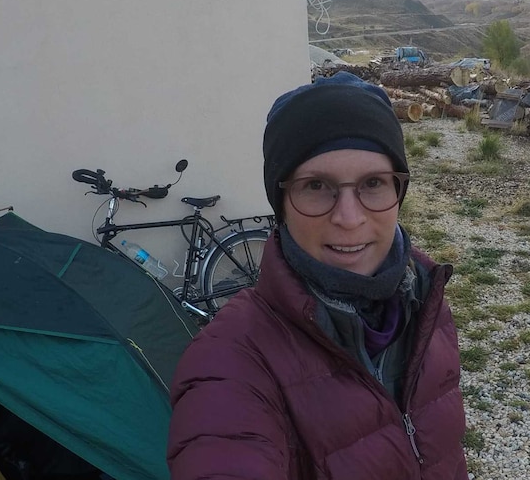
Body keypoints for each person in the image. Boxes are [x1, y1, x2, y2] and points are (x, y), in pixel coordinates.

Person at [166, 72, 469, 479]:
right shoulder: (231, 358)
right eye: (316, 186)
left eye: (374, 183)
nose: (349, 218)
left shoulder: (426, 301)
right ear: (282, 203)